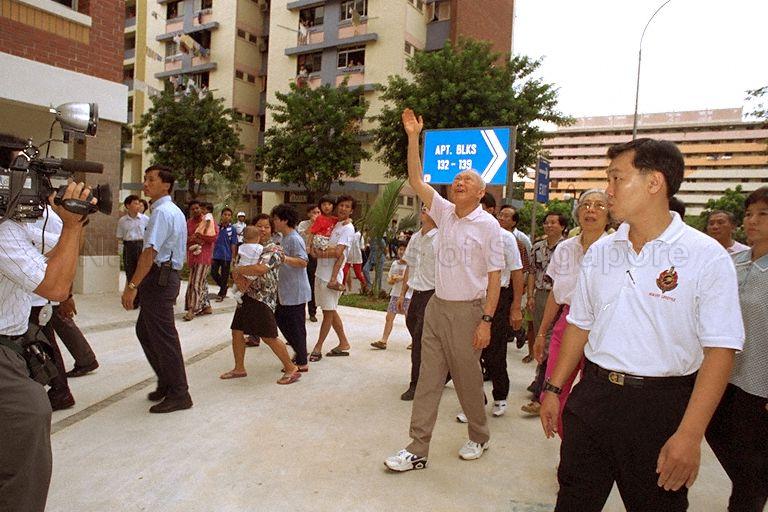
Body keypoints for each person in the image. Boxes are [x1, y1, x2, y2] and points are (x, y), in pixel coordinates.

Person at [539, 138, 744, 511]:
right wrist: (554, 387)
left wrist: (690, 434)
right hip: (594, 397)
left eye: (617, 178)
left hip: (660, 407)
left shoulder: (705, 256)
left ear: (655, 183)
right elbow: (579, 325)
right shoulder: (602, 251)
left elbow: (721, 350)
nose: (608, 190)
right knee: (573, 499)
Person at [384, 108, 504, 471]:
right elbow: (415, 178)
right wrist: (412, 138)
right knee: (427, 379)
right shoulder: (445, 211)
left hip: (468, 312)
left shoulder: (489, 228)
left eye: (466, 179)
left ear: (481, 192)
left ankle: (479, 436)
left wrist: (486, 320)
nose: (458, 182)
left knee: (468, 381)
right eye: (456, 179)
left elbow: (495, 278)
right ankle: (417, 448)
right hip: (437, 307)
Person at [0, 133, 96, 512]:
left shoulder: (15, 222)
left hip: (15, 340)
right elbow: (56, 285)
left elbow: (55, 245)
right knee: (30, 415)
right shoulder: (4, 231)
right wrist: (72, 226)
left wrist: (67, 214)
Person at [705, 186, 768, 512]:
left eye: (763, 214)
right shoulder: (733, 262)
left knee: (750, 471)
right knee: (717, 436)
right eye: (748, 214)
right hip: (723, 377)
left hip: (759, 387)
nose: (752, 220)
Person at [531, 190, 610, 436]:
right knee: (554, 390)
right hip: (567, 322)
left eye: (599, 205)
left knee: (590, 395)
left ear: (610, 214)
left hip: (603, 327)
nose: (591, 210)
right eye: (586, 205)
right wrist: (541, 332)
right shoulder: (565, 249)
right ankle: (568, 448)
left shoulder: (618, 250)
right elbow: (556, 292)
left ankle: (582, 448)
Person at [121, 165, 192, 414]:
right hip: (161, 277)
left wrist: (132, 286)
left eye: (151, 180)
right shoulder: (169, 210)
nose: (145, 184)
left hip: (160, 278)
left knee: (163, 337)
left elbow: (149, 252)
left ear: (166, 185)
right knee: (145, 331)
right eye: (145, 179)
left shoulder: (162, 213)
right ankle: (167, 381)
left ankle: (180, 393)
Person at [455, 194, 522, 420]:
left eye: (481, 208)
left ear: (491, 210)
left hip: (498, 298)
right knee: (469, 355)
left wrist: (516, 306)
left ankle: (500, 396)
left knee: (495, 352)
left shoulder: (505, 238)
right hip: (470, 297)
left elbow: (517, 273)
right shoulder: (464, 234)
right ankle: (474, 401)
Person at [220, 214, 301, 385]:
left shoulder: (274, 250)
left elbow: (260, 269)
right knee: (237, 331)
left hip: (262, 298)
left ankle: (291, 368)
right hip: (245, 296)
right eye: (259, 226)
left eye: (266, 226)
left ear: (272, 230)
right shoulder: (248, 247)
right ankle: (239, 368)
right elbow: (238, 269)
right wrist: (238, 273)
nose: (262, 229)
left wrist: (238, 270)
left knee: (268, 336)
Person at [521, 212, 567, 415]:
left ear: (563, 226)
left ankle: (543, 388)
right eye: (546, 222)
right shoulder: (537, 247)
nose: (549, 226)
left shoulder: (568, 247)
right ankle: (540, 379)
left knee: (550, 341)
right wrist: (530, 295)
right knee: (541, 337)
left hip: (559, 298)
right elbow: (531, 272)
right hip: (540, 296)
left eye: (553, 223)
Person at [308, 195, 356, 360]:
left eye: (347, 206)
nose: (343, 208)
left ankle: (318, 347)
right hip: (321, 273)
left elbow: (338, 252)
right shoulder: (335, 224)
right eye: (341, 205)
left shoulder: (348, 229)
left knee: (328, 314)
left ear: (352, 210)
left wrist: (318, 253)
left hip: (331, 277)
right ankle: (343, 343)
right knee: (330, 310)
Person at [398, 206, 437, 401]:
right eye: (423, 206)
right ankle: (443, 372)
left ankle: (416, 384)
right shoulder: (415, 237)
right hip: (416, 294)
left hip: (433, 295)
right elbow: (409, 267)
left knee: (420, 340)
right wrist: (402, 294)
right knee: (414, 331)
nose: (423, 210)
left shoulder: (441, 238)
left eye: (428, 208)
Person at [271, 204, 312, 372]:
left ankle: (302, 360)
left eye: (275, 219)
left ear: (284, 220)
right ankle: (299, 352)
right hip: (286, 290)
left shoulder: (294, 238)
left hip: (296, 290)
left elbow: (303, 262)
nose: (273, 221)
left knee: (295, 326)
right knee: (282, 321)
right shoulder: (284, 238)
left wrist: (284, 258)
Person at [370, 242, 411, 350]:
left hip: (408, 296)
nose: (402, 252)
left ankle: (415, 340)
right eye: (400, 249)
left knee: (410, 320)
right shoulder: (394, 264)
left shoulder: (411, 265)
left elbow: (413, 281)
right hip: (395, 294)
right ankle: (383, 340)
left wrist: (402, 278)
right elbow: (389, 280)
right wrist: (393, 279)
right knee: (389, 317)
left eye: (404, 250)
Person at [184, 200, 218, 321]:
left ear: (201, 209)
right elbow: (184, 239)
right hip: (193, 256)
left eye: (197, 208)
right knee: (200, 282)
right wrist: (192, 238)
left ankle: (192, 309)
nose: (196, 211)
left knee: (195, 283)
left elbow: (214, 237)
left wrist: (200, 237)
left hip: (204, 257)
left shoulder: (208, 220)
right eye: (193, 209)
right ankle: (206, 306)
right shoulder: (188, 223)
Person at [308, 196, 347, 292]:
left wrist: (349, 220)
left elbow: (343, 221)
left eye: (329, 204)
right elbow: (312, 232)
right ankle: (333, 280)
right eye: (324, 204)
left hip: (326, 242)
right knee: (340, 256)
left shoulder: (335, 219)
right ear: (320, 206)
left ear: (333, 206)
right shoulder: (319, 219)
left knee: (338, 255)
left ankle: (333, 279)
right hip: (321, 241)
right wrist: (309, 246)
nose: (326, 207)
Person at [116, 195, 150, 296]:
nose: (138, 206)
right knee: (130, 271)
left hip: (142, 245)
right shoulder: (122, 221)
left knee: (143, 271)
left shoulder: (145, 219)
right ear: (127, 205)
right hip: (129, 246)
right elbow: (120, 236)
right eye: (135, 203)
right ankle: (133, 296)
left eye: (139, 203)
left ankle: (143, 296)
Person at [211, 207, 239, 302]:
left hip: (226, 256)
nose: (227, 217)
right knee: (213, 273)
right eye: (225, 214)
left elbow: (234, 243)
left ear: (231, 217)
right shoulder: (217, 227)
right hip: (216, 255)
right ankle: (224, 286)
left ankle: (222, 293)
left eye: (229, 215)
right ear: (221, 215)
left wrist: (233, 256)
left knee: (224, 275)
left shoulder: (232, 229)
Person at [298, 205, 320, 321]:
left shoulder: (323, 224)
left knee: (312, 284)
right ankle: (300, 311)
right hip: (303, 256)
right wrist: (313, 224)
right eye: (313, 212)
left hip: (315, 257)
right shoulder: (303, 224)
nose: (316, 214)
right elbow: (301, 236)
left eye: (318, 212)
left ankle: (312, 311)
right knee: (302, 284)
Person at [230, 226, 263, 304]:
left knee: (240, 278)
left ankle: (235, 286)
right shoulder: (259, 247)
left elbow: (239, 256)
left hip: (240, 267)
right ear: (257, 238)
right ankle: (239, 293)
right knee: (248, 282)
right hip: (250, 269)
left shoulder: (242, 247)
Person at [343, 228, 369, 293]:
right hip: (348, 257)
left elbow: (362, 247)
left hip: (357, 257)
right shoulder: (348, 234)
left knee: (358, 274)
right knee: (344, 272)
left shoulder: (359, 236)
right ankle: (343, 288)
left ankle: (365, 286)